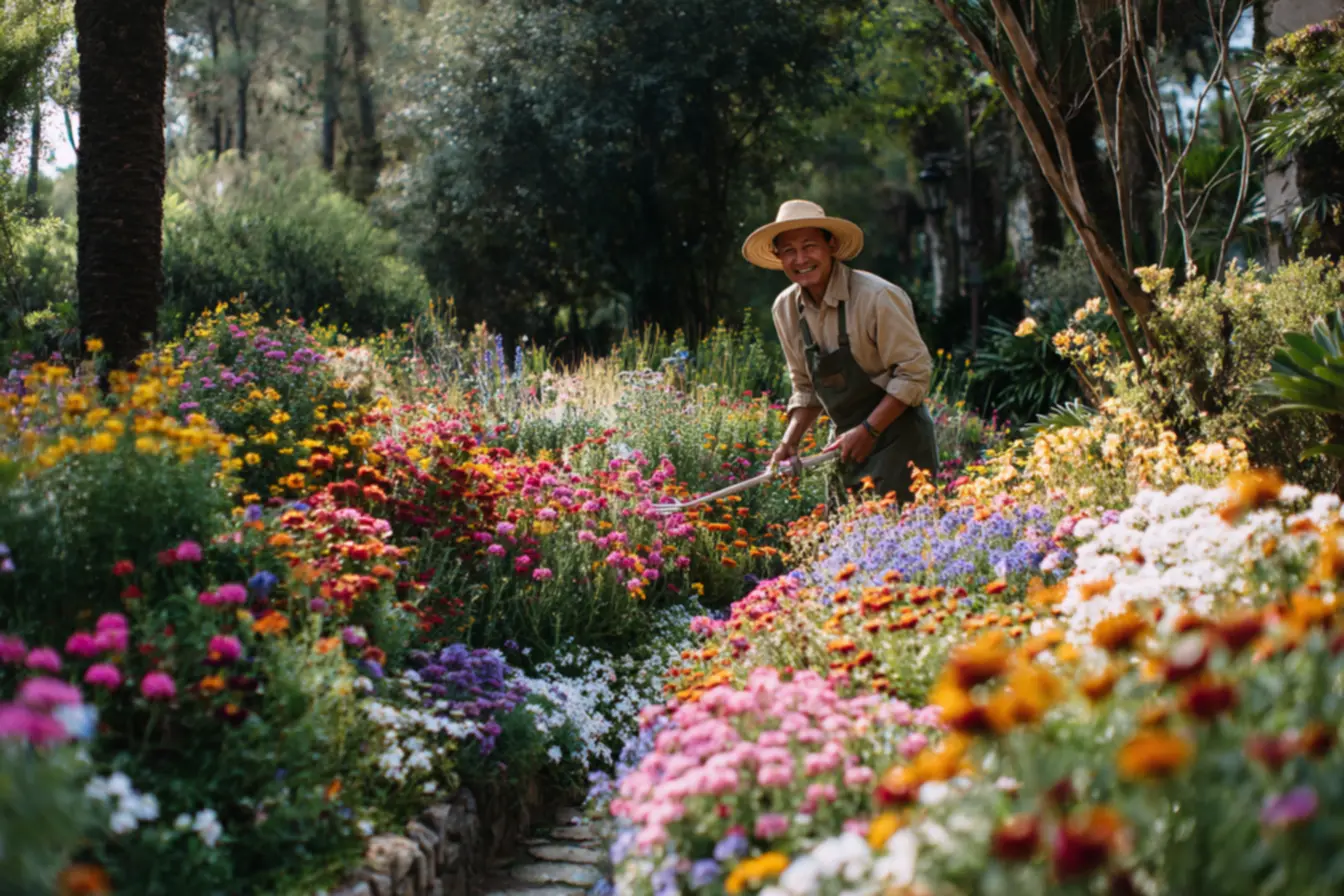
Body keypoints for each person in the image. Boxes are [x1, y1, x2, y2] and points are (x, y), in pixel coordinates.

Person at [742, 199, 938, 506]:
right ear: (778, 256)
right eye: (789, 250)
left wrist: (869, 431)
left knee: (899, 531)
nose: (800, 259)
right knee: (843, 533)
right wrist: (788, 444)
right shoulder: (786, 308)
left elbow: (914, 374)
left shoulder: (877, 296)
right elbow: (806, 390)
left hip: (901, 444)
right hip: (846, 445)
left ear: (831, 245)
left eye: (809, 246)